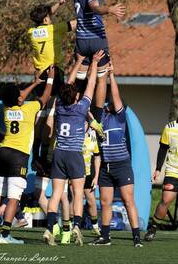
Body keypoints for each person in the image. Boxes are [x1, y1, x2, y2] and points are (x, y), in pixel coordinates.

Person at [0, 66, 54, 244]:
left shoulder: (6, 109)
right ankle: (5, 235)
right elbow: (45, 98)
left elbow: (16, 95)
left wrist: (35, 82)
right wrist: (49, 80)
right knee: (13, 197)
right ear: (19, 99)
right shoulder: (29, 110)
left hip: (2, 152)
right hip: (18, 156)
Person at [43, 50, 104, 246]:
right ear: (76, 97)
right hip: (74, 155)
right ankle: (77, 226)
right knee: (78, 193)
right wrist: (93, 63)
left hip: (59, 154)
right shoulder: (81, 108)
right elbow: (92, 83)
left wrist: (78, 62)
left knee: (56, 194)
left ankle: (49, 228)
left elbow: (67, 85)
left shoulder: (60, 106)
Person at [89, 64, 143, 247]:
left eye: (112, 102)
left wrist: (111, 76)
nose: (109, 103)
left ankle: (136, 237)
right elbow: (97, 98)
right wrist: (99, 75)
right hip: (105, 166)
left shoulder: (119, 117)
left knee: (128, 200)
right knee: (105, 202)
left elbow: (116, 96)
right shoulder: (101, 117)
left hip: (122, 164)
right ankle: (105, 236)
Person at [29, 0, 77, 181]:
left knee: (40, 114)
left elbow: (45, 18)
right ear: (47, 19)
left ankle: (36, 157)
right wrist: (92, 13)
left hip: (40, 75)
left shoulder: (32, 32)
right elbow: (74, 24)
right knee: (52, 114)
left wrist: (59, 3)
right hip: (53, 73)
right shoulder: (53, 29)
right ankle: (46, 159)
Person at [145, 97, 178, 241]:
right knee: (165, 201)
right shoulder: (170, 127)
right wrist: (158, 169)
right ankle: (153, 228)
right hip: (174, 171)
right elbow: (163, 149)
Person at [71, 0, 125, 80]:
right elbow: (94, 7)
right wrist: (109, 9)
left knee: (80, 80)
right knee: (101, 79)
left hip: (81, 41)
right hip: (96, 38)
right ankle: (99, 99)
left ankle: (76, 98)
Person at [82, 117, 101, 236]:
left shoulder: (92, 136)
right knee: (75, 199)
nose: (83, 125)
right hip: (75, 174)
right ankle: (70, 228)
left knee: (91, 201)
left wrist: (96, 177)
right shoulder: (74, 135)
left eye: (85, 123)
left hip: (89, 174)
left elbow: (97, 156)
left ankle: (95, 227)